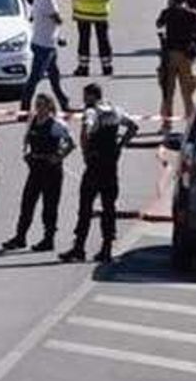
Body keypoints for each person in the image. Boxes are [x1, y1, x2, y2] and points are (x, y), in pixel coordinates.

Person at [59, 83, 138, 263]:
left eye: (85, 96)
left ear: (92, 96)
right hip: (111, 165)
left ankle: (79, 248)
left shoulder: (92, 112)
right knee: (109, 207)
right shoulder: (116, 110)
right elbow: (133, 126)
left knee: (85, 206)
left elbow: (86, 131)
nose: (84, 100)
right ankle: (107, 248)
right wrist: (120, 145)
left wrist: (86, 153)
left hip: (95, 165)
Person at [2, 94, 76, 252]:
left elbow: (71, 143)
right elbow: (27, 140)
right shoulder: (33, 121)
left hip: (51, 169)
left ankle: (48, 239)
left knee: (49, 206)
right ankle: (20, 237)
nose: (39, 108)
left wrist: (59, 157)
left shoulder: (56, 124)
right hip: (35, 167)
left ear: (49, 106)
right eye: (37, 104)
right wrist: (27, 153)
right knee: (27, 203)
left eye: (42, 105)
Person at [20, 0, 71, 112]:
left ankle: (64, 102)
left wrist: (58, 38)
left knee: (55, 77)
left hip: (48, 43)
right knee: (35, 78)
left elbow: (44, 21)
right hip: (44, 46)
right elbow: (57, 19)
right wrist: (62, 21)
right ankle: (24, 109)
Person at [156, 0, 196, 130]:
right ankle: (191, 123)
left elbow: (159, 25)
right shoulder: (193, 14)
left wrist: (169, 7)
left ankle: (166, 123)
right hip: (187, 55)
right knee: (189, 92)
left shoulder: (167, 12)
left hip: (169, 55)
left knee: (167, 91)